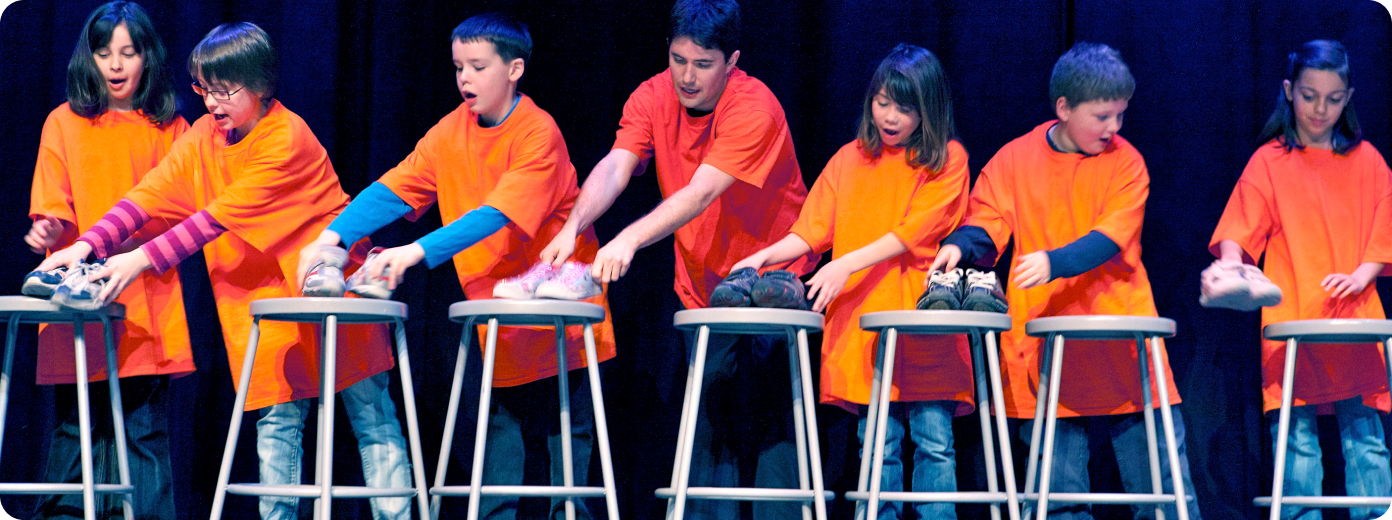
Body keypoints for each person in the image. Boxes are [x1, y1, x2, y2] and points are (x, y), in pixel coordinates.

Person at [31, 22, 415, 520]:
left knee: (371, 417)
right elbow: (151, 193)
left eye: (224, 90)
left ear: (261, 87)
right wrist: (84, 246)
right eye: (204, 89)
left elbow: (212, 220)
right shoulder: (206, 137)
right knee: (277, 424)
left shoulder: (286, 138)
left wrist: (135, 261)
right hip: (266, 300)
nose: (212, 103)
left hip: (330, 291)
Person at [297, 13, 617, 519]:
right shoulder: (451, 131)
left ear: (513, 70)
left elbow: (493, 215)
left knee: (568, 485)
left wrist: (413, 252)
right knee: (495, 482)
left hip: (561, 324)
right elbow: (396, 187)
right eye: (457, 67)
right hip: (496, 327)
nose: (464, 78)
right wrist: (334, 235)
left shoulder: (538, 132)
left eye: (477, 66)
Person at [538, 0, 818, 517]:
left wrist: (627, 240)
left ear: (731, 61)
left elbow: (701, 191)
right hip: (703, 288)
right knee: (706, 437)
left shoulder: (754, 106)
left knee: (773, 437)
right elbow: (616, 166)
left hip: (772, 282)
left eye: (703, 64)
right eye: (678, 59)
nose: (687, 76)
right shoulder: (651, 95)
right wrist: (574, 225)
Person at [932, 42, 1201, 520]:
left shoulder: (1127, 164)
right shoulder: (1016, 159)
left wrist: (1054, 262)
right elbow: (988, 220)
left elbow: (1109, 239)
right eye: (1102, 116)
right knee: (1056, 501)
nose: (1114, 128)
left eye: (1120, 115)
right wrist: (959, 245)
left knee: (1163, 491)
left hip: (1122, 340)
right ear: (1063, 108)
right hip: (1046, 347)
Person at [730, 43, 972, 519]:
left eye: (905, 107)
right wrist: (758, 259)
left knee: (934, 444)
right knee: (876, 446)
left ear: (928, 110)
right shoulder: (849, 158)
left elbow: (911, 233)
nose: (891, 116)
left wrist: (845, 264)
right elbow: (809, 231)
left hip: (924, 326)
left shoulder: (947, 160)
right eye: (883, 102)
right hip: (865, 330)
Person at [1206, 39, 1392, 520]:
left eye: (1333, 98)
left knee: (1365, 438)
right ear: (1290, 91)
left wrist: (1362, 274)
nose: (1320, 108)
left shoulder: (1368, 160)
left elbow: (1384, 227)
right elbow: (1239, 227)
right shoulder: (1270, 161)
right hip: (1293, 322)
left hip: (1353, 323)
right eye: (1310, 96)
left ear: (1348, 97)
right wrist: (1231, 265)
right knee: (1296, 442)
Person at [24, 2, 189, 517]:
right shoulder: (64, 122)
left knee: (141, 431)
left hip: (144, 302)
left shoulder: (171, 128)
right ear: (88, 58)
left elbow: (182, 213)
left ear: (147, 57)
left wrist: (125, 245)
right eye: (104, 53)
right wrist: (50, 227)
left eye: (128, 52)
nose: (115, 65)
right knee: (76, 429)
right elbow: (53, 203)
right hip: (76, 303)